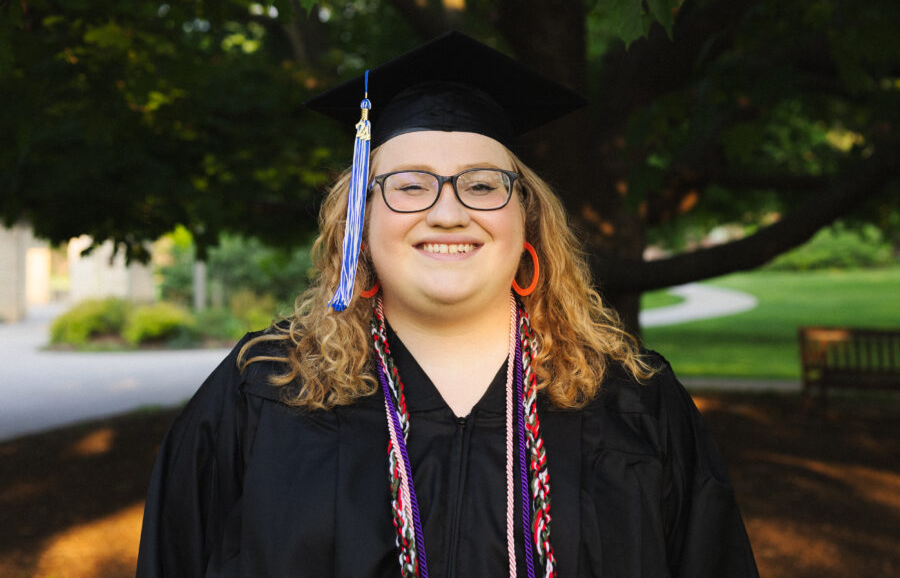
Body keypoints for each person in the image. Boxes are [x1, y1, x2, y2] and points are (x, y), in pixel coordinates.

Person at [136, 32, 759, 577]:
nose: (448, 211)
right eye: (409, 185)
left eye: (483, 184)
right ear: (359, 221)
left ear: (528, 220)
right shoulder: (265, 391)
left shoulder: (631, 401)